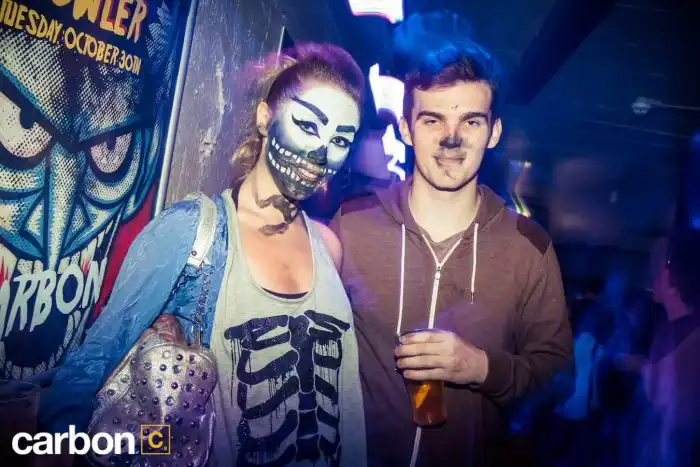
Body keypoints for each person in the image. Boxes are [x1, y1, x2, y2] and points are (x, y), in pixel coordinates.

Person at [37, 43, 368, 467]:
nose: (321, 154)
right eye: (307, 125)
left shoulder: (328, 246)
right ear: (265, 118)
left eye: (340, 140)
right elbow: (95, 358)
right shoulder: (192, 231)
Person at [330, 12, 573, 467]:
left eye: (471, 122)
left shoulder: (529, 247)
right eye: (432, 120)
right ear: (406, 129)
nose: (451, 140)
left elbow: (558, 377)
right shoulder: (353, 225)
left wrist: (481, 368)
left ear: (494, 132)